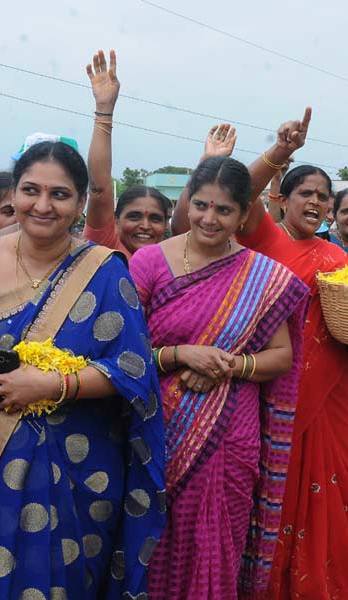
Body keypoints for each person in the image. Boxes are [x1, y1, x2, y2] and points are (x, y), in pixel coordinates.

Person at [0, 140, 166, 598]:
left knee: (65, 580)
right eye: (30, 190)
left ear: (79, 203)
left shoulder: (105, 270)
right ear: (13, 194)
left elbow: (133, 369)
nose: (42, 205)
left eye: (59, 194)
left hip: (80, 469)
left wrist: (53, 384)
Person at [172, 108, 348, 599]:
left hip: (327, 397)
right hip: (264, 390)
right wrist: (281, 152)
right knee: (267, 493)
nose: (315, 201)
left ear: (333, 208)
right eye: (305, 193)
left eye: (323, 197)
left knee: (331, 492)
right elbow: (233, 194)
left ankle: (320, 585)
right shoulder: (264, 240)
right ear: (280, 200)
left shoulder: (338, 258)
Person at [129, 156, 309, 598]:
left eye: (224, 210)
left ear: (245, 214)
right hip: (155, 426)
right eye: (201, 206)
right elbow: (122, 352)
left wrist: (229, 365)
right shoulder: (150, 263)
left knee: (218, 536)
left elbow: (282, 357)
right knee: (150, 536)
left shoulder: (263, 276)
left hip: (231, 432)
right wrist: (179, 355)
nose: (210, 218)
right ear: (187, 203)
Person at [83, 49, 173, 257]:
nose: (145, 226)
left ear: (167, 225)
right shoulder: (105, 246)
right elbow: (99, 188)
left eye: (155, 218)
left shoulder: (172, 262)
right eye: (134, 216)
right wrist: (104, 110)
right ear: (114, 221)